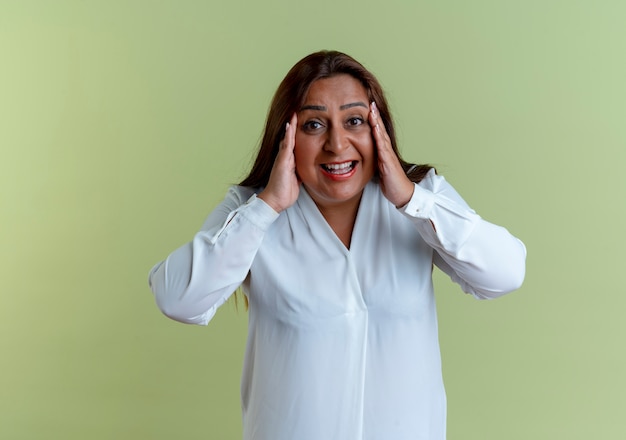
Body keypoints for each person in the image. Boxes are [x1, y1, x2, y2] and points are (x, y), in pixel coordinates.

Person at [148, 50, 526, 440]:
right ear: (287, 135)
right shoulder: (252, 209)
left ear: (377, 128)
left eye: (354, 121)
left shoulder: (420, 198)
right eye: (314, 124)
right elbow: (178, 299)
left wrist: (410, 200)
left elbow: (505, 273)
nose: (337, 143)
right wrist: (267, 207)